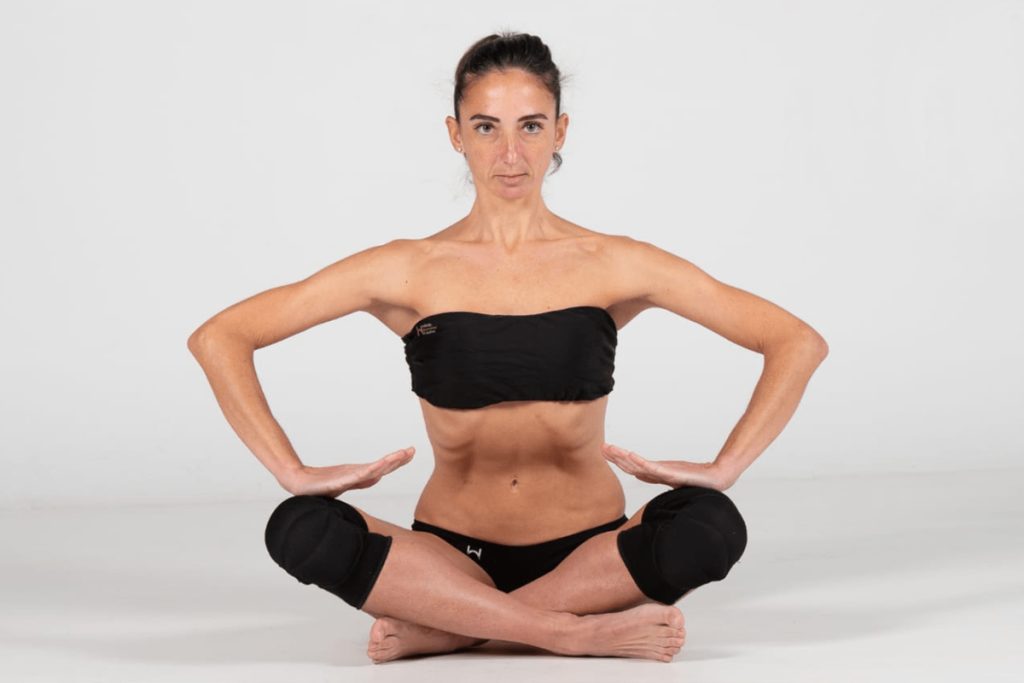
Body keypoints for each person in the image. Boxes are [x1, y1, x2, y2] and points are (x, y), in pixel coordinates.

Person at [187, 31, 828, 665]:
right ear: (456, 134)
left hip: (591, 554)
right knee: (297, 525)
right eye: (487, 127)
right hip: (449, 555)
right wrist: (292, 473)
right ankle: (568, 632)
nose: (510, 154)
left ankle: (455, 628)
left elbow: (795, 341)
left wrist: (725, 467)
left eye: (531, 126)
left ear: (560, 131)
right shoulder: (406, 268)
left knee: (712, 522)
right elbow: (221, 337)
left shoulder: (614, 262)